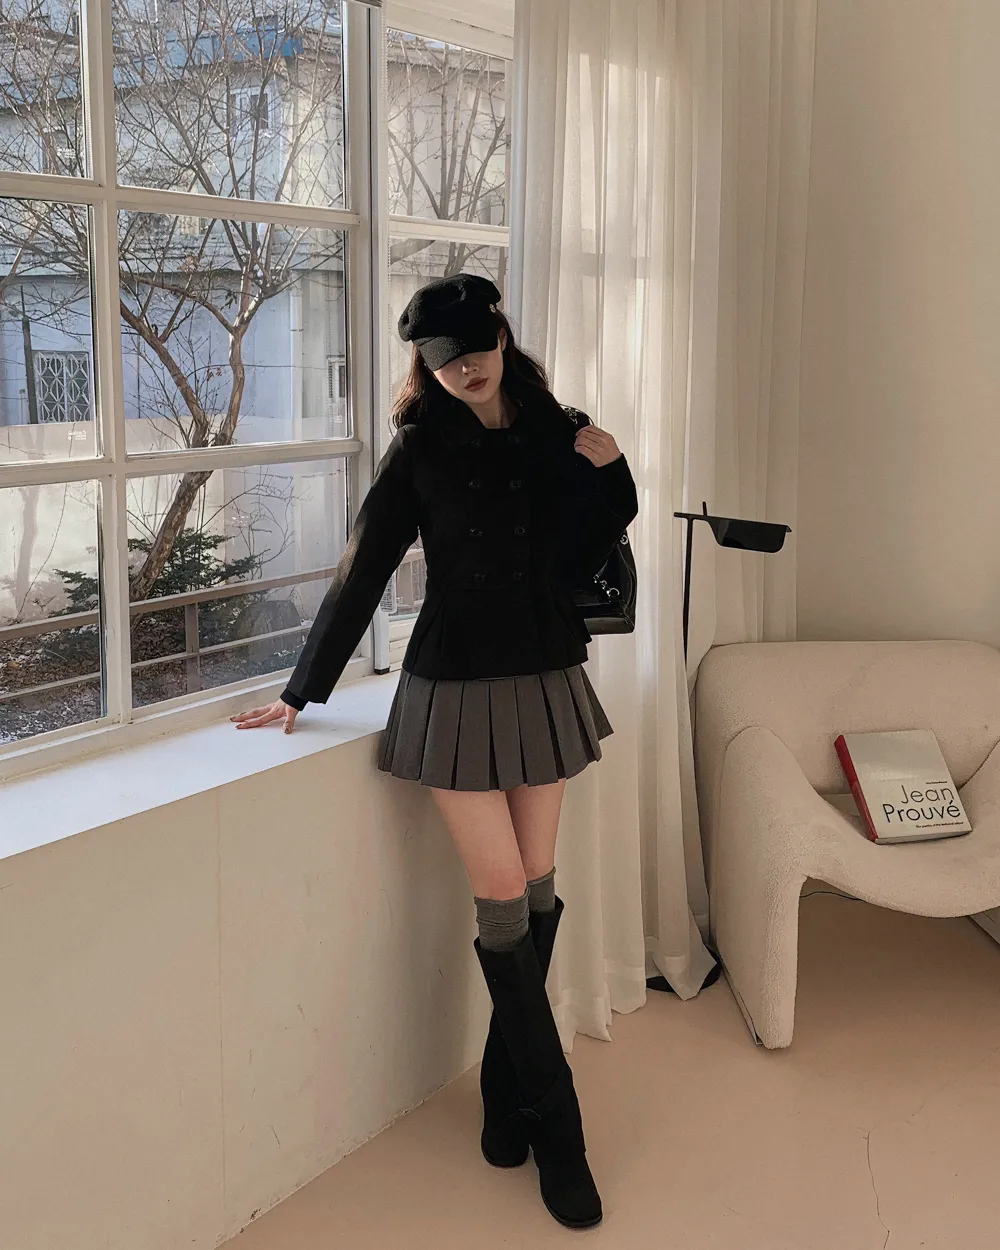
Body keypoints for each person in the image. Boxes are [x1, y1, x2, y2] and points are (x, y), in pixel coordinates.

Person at [232, 272, 638, 1230]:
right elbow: (365, 565)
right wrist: (301, 689)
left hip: (543, 672)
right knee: (503, 894)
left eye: (474, 351)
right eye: (443, 361)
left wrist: (615, 474)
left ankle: (505, 1097)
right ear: (426, 364)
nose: (464, 371)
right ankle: (561, 1132)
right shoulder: (419, 448)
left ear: (500, 336)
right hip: (452, 684)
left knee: (539, 888)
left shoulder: (557, 429)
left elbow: (584, 547)